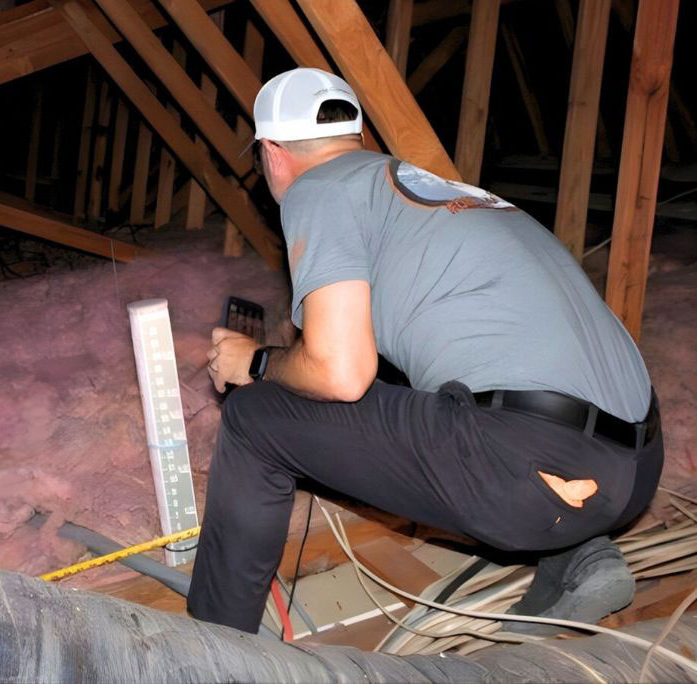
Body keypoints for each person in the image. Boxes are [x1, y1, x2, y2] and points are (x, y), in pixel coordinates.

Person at [187, 67, 663, 635]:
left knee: (254, 416)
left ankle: (214, 640)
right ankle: (579, 560)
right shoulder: (435, 192)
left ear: (271, 152)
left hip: (532, 472)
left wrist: (257, 362)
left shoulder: (318, 188)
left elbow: (341, 373)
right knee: (445, 392)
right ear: (354, 137)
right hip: (634, 466)